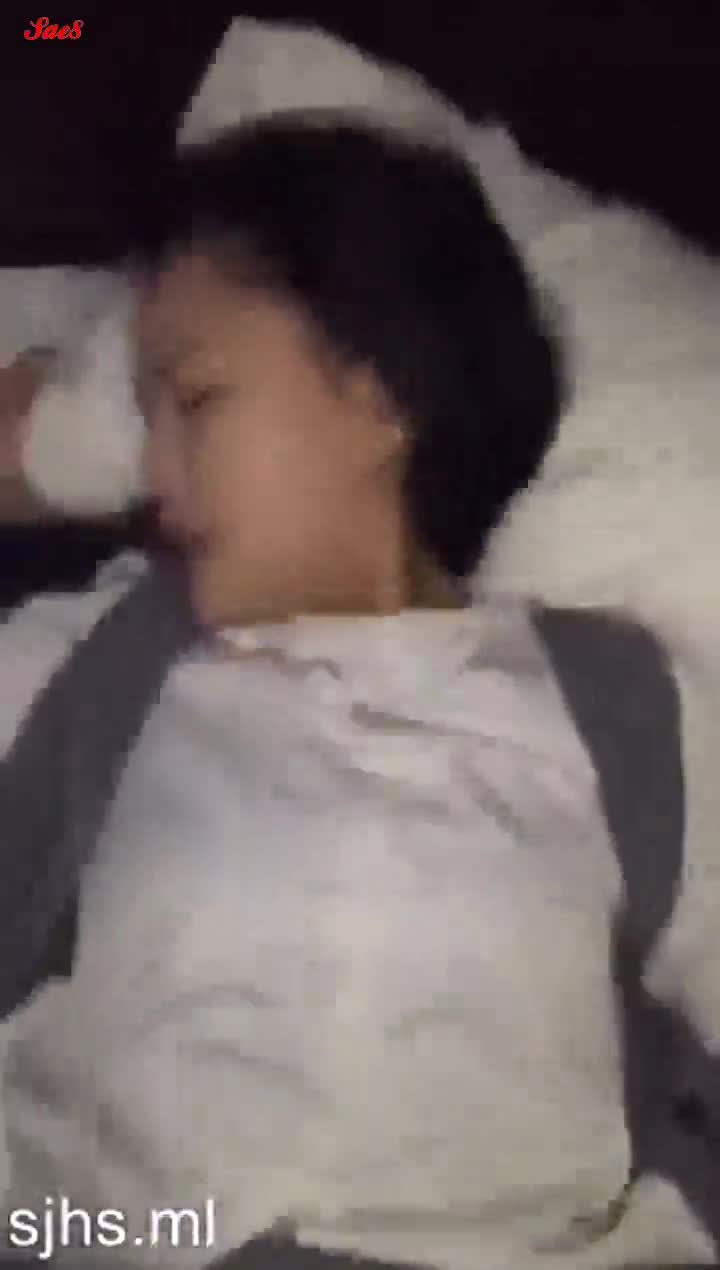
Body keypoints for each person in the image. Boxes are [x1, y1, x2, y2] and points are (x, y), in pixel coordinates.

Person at [0, 114, 716, 1270]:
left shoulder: (622, 704)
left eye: (195, 401)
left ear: (384, 394)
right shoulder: (108, 657)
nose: (155, 472)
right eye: (141, 419)